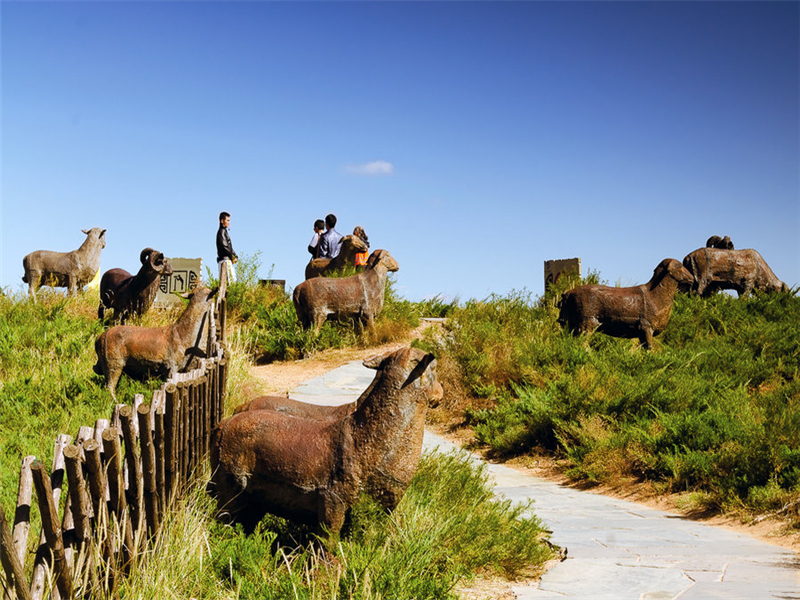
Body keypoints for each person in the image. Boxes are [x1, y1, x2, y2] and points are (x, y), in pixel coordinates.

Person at [216, 211, 238, 282]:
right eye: (227, 220)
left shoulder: (224, 232)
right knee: (231, 282)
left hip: (226, 260)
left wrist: (235, 255)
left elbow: (229, 247)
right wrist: (232, 256)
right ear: (222, 221)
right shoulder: (222, 232)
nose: (229, 222)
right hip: (225, 261)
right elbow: (225, 247)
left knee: (229, 282)